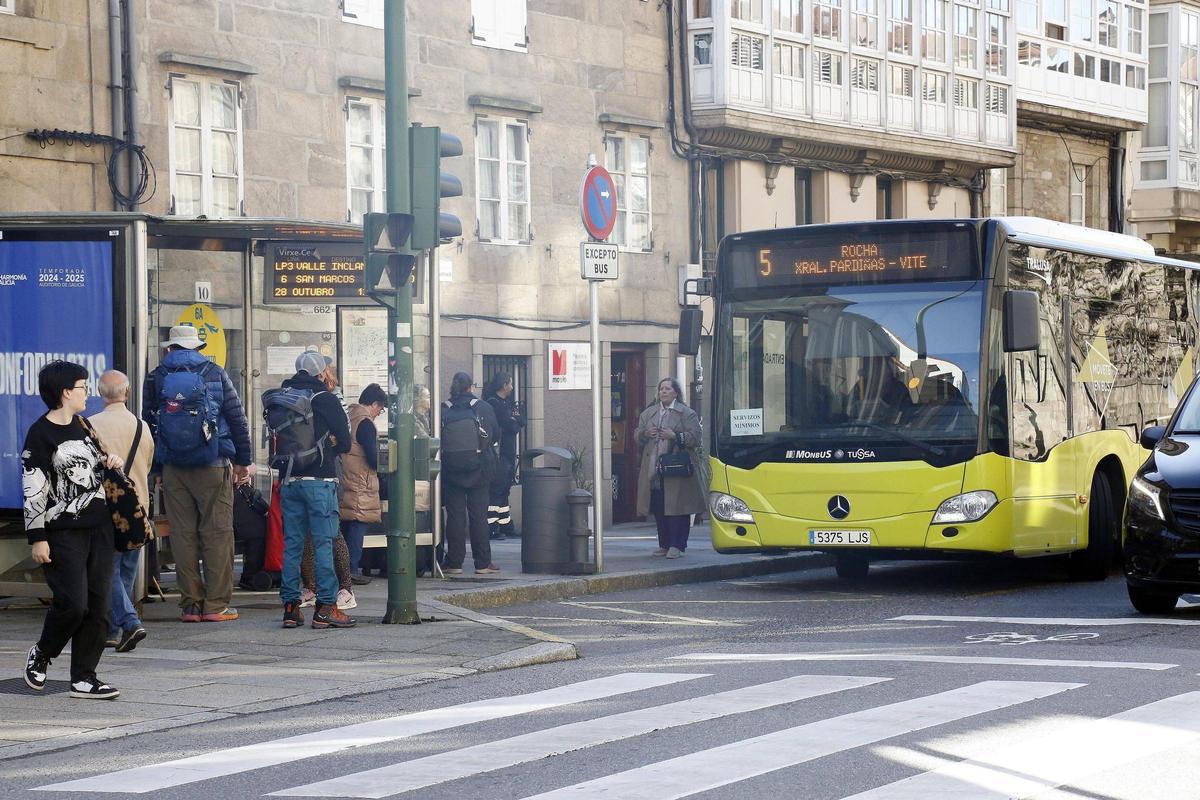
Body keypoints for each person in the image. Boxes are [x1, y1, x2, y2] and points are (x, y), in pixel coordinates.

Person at [21, 361, 123, 699]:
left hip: (100, 528)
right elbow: (33, 489)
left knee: (99, 608)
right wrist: (37, 538)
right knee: (73, 604)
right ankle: (43, 654)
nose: (87, 392)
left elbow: (97, 466)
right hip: (63, 532)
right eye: (82, 386)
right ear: (66, 392)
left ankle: (84, 677)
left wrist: (112, 462)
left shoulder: (83, 425)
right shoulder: (41, 434)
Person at [143, 325, 252, 624]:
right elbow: (237, 418)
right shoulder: (215, 372)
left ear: (170, 349)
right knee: (217, 534)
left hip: (173, 467)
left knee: (182, 535)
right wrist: (243, 460)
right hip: (212, 462)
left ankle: (191, 605)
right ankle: (216, 605)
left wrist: (156, 469)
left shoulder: (156, 377)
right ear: (198, 348)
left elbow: (149, 424)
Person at [277, 351, 355, 629]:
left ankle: (290, 607)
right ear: (321, 373)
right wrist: (331, 442)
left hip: (288, 480)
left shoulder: (282, 398)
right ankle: (326, 608)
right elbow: (345, 443)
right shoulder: (325, 399)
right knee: (323, 543)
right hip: (320, 482)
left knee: (293, 546)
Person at [89, 370, 154, 653]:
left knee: (108, 570)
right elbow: (148, 464)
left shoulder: (90, 425)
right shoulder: (142, 426)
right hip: (138, 507)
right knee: (125, 571)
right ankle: (117, 629)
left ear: (101, 394)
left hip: (107, 508)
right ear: (126, 393)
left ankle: (123, 624)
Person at [635, 377, 705, 559]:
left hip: (676, 467)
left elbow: (695, 437)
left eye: (667, 389)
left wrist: (675, 435)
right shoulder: (649, 413)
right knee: (659, 506)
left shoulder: (686, 413)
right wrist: (645, 433)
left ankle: (677, 545)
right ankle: (664, 544)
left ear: (675, 392)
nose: (663, 392)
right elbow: (637, 434)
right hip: (654, 466)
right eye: (661, 389)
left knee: (677, 507)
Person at [440, 371, 501, 575]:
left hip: (451, 469)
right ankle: (483, 563)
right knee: (479, 516)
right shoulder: (483, 407)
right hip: (479, 469)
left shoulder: (445, 409)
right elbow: (495, 434)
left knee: (455, 516)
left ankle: (454, 563)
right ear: (471, 387)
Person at [339, 383, 386, 584]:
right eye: (380, 408)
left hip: (347, 477)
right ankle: (351, 571)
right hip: (360, 481)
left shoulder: (349, 417)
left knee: (347, 526)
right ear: (373, 404)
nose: (380, 412)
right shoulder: (365, 423)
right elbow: (373, 457)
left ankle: (343, 570)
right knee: (358, 525)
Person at [484, 373, 524, 541]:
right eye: (511, 384)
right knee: (496, 491)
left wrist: (517, 420)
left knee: (504, 491)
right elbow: (510, 425)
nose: (513, 388)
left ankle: (505, 524)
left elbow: (514, 422)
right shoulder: (494, 404)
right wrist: (517, 421)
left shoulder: (505, 403)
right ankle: (492, 528)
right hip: (499, 455)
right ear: (504, 385)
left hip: (507, 453)